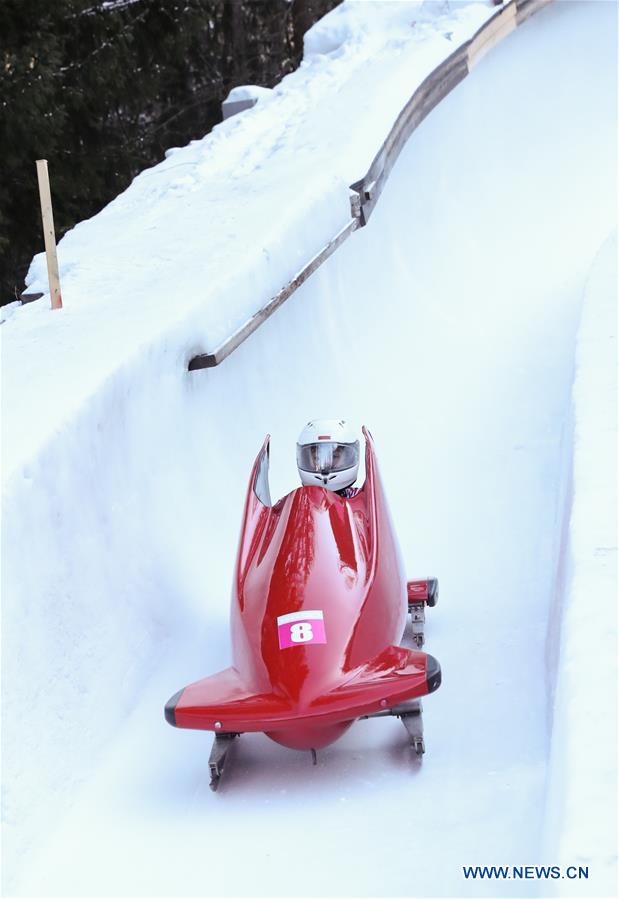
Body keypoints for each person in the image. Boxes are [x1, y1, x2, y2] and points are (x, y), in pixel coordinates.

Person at [296, 419, 360, 497]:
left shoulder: (360, 498)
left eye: (335, 456)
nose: (326, 464)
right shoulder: (300, 501)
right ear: (306, 459)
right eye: (317, 458)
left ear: (348, 457)